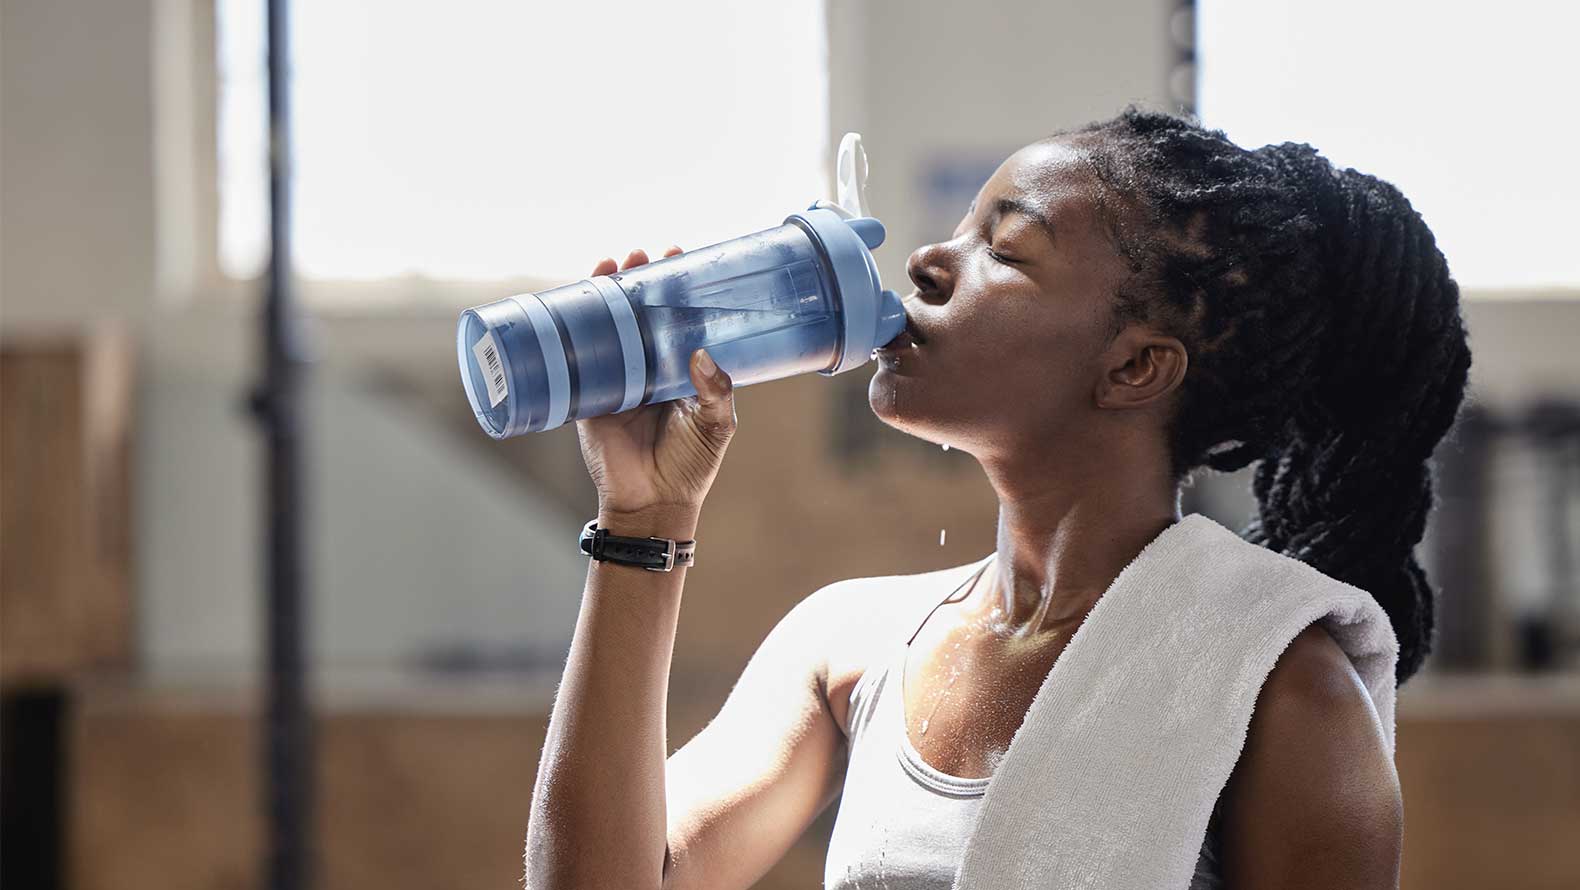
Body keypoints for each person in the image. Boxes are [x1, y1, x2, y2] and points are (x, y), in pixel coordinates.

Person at [523, 107, 1472, 890]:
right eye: (961, 228)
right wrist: (644, 517)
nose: (931, 261)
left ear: (1136, 367)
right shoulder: (851, 644)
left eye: (1005, 250)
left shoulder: (1283, 692)